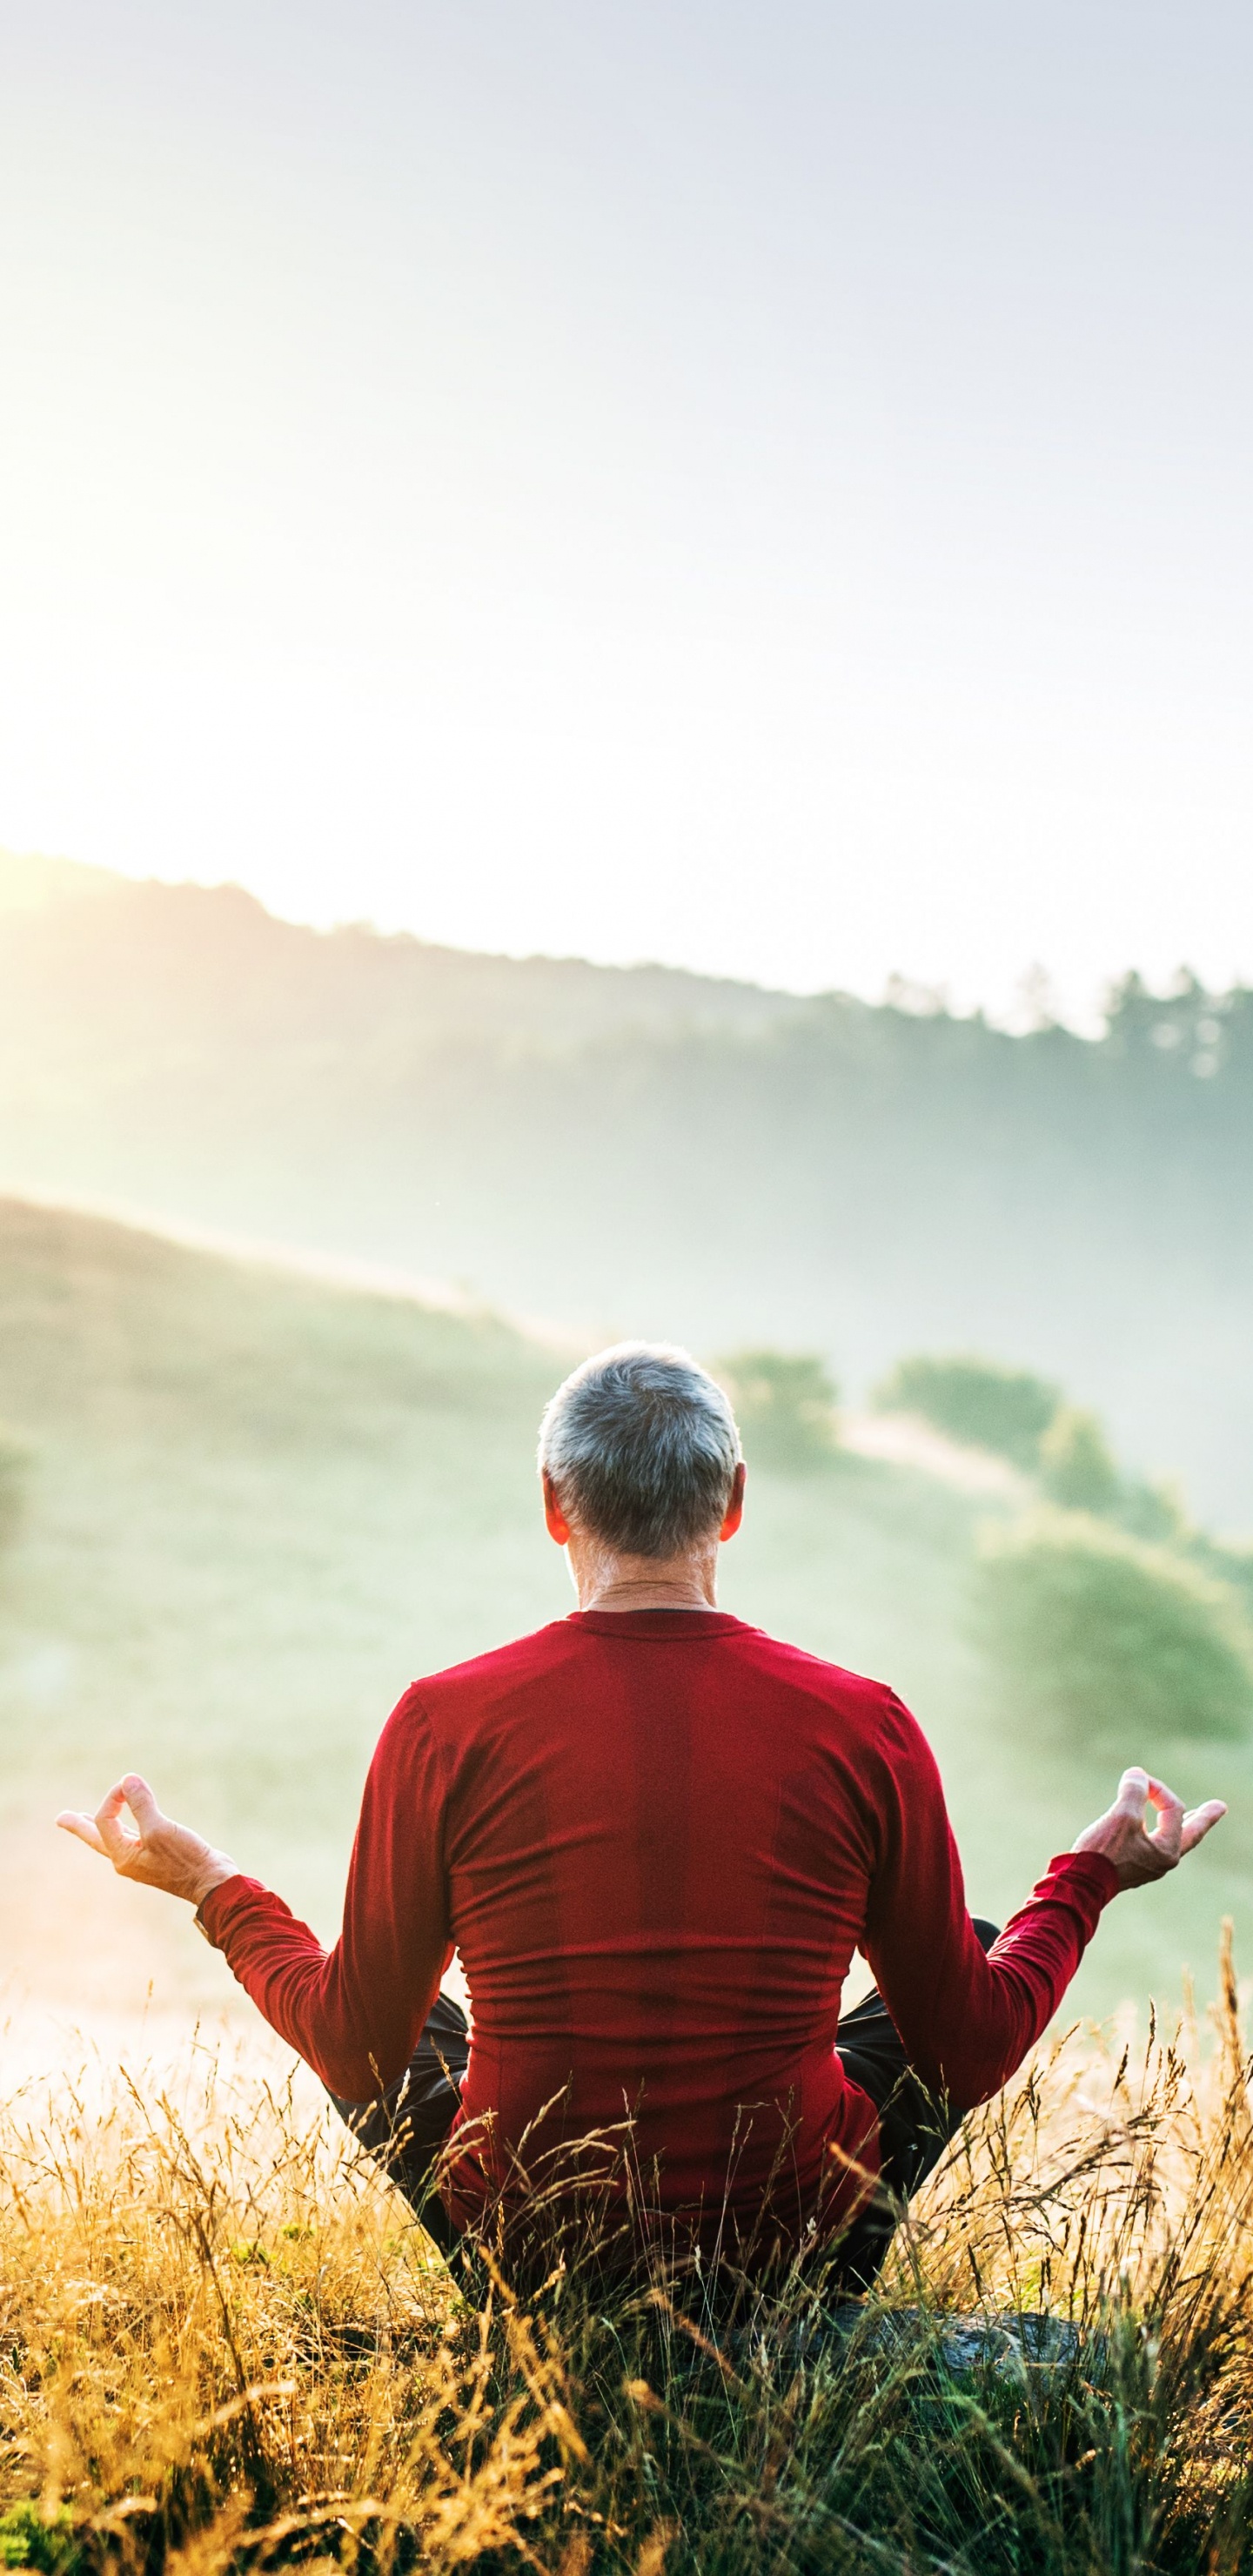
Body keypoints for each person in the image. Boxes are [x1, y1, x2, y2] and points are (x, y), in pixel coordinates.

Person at [58, 1343, 1226, 2291]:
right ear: (733, 1506)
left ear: (555, 1507)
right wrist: (1090, 1876)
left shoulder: (440, 1722)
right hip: (791, 2253)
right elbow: (967, 2049)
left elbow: (360, 2048)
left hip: (527, 2250)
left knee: (390, 2012)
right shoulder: (865, 1724)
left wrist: (214, 1889)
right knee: (969, 1955)